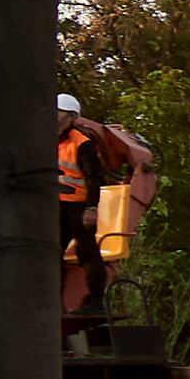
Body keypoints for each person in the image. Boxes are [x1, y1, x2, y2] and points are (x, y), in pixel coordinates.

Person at [59, 92, 108, 314]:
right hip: (57, 206)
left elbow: (95, 178)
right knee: (51, 252)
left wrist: (91, 208)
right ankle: (54, 301)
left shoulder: (82, 143)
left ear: (70, 117)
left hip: (78, 206)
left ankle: (96, 301)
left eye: (57, 112)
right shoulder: (49, 140)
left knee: (87, 252)